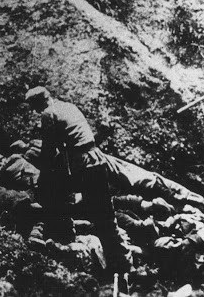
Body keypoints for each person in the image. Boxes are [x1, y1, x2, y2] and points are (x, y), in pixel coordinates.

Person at [25, 86, 129, 276]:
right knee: (105, 214)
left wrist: (41, 182)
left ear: (39, 104)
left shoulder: (48, 114)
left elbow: (48, 152)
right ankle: (121, 262)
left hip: (84, 164)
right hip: (96, 158)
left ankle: (118, 266)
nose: (35, 112)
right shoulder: (68, 106)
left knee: (100, 214)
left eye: (34, 107)